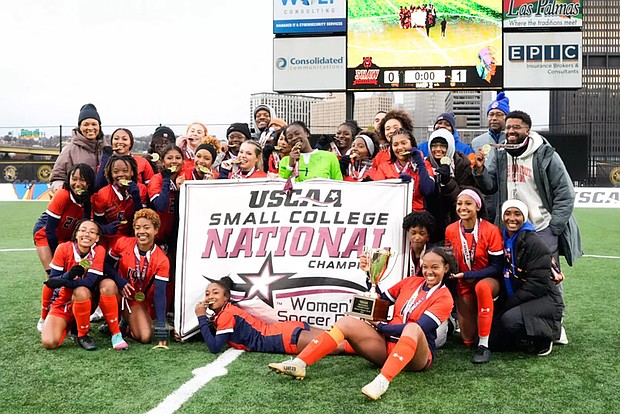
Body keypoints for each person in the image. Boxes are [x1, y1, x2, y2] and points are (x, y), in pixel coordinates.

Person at [269, 247, 454, 401]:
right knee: (347, 322)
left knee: (413, 327)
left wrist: (380, 327)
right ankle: (299, 363)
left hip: (417, 356)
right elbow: (380, 301)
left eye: (435, 267)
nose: (429, 271)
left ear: (446, 268)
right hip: (387, 346)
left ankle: (381, 382)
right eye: (425, 266)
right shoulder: (410, 282)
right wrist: (370, 277)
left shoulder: (445, 297)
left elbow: (419, 327)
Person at [472, 110, 582, 344]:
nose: (511, 132)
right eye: (508, 128)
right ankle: (517, 319)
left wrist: (554, 227)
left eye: (517, 128)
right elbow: (490, 186)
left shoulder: (545, 154)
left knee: (550, 277)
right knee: (512, 275)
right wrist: (480, 171)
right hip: (510, 227)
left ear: (527, 130)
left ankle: (556, 322)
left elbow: (565, 192)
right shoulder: (501, 154)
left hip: (541, 226)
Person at [41, 219, 129, 351]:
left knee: (85, 289)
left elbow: (89, 282)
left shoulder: (99, 251)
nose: (87, 234)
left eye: (92, 232)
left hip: (86, 299)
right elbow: (53, 281)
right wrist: (68, 275)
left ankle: (83, 335)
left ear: (97, 238)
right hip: (63, 302)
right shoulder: (63, 248)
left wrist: (65, 280)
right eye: (83, 230)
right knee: (49, 342)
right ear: (76, 234)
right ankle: (71, 324)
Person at [195, 277, 344, 354]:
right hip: (283, 330)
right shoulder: (225, 312)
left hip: (281, 338)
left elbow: (215, 347)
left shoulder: (226, 314)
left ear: (226, 297)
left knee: (341, 345)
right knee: (339, 337)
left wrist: (201, 317)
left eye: (215, 293)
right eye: (207, 294)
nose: (210, 296)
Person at [492, 199, 563, 356]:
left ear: (524, 217)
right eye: (508, 214)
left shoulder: (534, 242)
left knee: (509, 319)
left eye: (517, 214)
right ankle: (522, 336)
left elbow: (537, 285)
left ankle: (545, 336)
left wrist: (509, 304)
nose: (512, 218)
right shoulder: (502, 238)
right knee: (494, 342)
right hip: (519, 296)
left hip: (544, 298)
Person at [34, 163, 95, 332]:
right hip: (46, 234)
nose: (77, 183)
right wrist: (57, 254)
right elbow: (50, 230)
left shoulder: (87, 199)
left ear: (89, 182)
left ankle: (68, 314)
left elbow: (83, 224)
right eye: (74, 179)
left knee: (70, 277)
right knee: (52, 274)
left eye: (82, 180)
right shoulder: (63, 195)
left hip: (65, 237)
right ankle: (44, 316)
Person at [444, 189, 503, 363]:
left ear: (477, 206)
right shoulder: (450, 230)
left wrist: (469, 273)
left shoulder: (491, 230)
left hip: (488, 280)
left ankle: (484, 345)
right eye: (459, 203)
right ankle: (454, 324)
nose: (463, 207)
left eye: (468, 203)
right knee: (468, 339)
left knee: (482, 287)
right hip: (463, 282)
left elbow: (497, 267)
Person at [105, 209, 169, 347]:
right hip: (117, 293)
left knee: (145, 337)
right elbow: (106, 266)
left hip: (135, 300)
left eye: (146, 227)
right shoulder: (123, 243)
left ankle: (126, 323)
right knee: (107, 285)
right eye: (137, 227)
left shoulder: (161, 260)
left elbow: (160, 294)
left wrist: (161, 326)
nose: (141, 232)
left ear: (156, 230)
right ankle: (113, 326)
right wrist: (120, 281)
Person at [424, 128, 477, 240]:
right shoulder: (425, 165)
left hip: (456, 221)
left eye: (443, 146)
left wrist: (447, 182)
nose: (438, 149)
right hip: (432, 223)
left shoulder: (462, 164)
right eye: (434, 145)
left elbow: (464, 196)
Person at [374, 128, 435, 212]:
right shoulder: (383, 168)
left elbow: (427, 190)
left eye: (404, 143)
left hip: (417, 213)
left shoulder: (424, 164)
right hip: (391, 213)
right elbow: (379, 194)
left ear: (412, 144)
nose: (400, 148)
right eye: (395, 145)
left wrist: (420, 164)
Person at [93, 155, 147, 249]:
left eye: (125, 171)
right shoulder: (103, 194)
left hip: (134, 239)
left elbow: (142, 219)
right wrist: (105, 229)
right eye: (116, 171)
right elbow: (97, 223)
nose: (120, 174)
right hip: (109, 239)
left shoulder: (141, 189)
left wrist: (136, 199)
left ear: (132, 172)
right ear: (111, 174)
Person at [471, 92, 510, 222]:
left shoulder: (513, 140)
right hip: (486, 196)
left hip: (508, 194)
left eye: (499, 114)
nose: (494, 118)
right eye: (491, 114)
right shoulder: (477, 142)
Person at [49, 103, 105, 192]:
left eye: (94, 124)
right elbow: (56, 178)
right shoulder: (69, 150)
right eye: (86, 124)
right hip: (78, 203)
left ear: (99, 126)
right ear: (80, 127)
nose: (90, 128)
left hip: (103, 203)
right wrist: (65, 191)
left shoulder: (107, 149)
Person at [279, 121, 343, 182]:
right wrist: (290, 166)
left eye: (297, 133)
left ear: (307, 133)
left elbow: (339, 183)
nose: (294, 138)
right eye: (290, 137)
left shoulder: (329, 157)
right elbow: (280, 185)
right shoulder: (285, 161)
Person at [147, 144, 185, 247]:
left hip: (179, 236)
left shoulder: (185, 178)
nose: (174, 161)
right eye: (169, 158)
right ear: (163, 162)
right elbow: (161, 206)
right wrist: (167, 181)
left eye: (178, 158)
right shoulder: (157, 179)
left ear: (183, 161)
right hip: (158, 236)